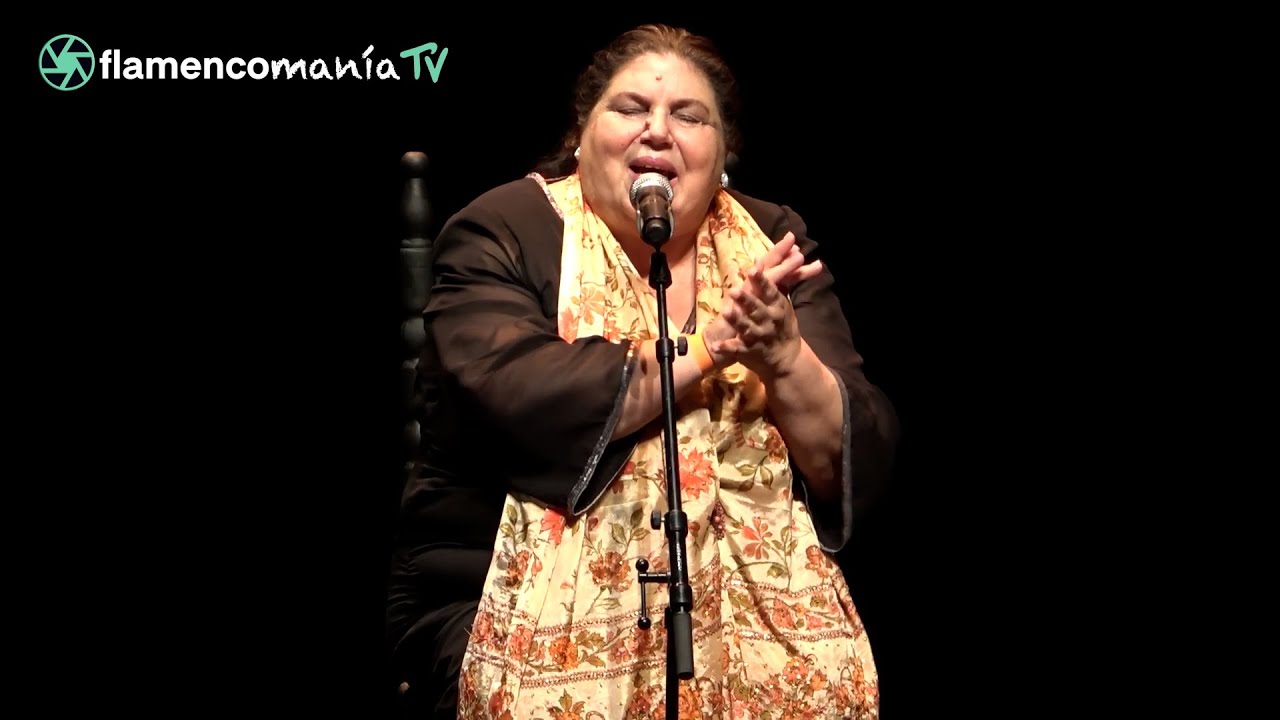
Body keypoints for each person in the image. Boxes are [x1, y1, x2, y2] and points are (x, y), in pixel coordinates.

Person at [386, 23, 899, 720]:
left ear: (724, 151)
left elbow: (852, 458)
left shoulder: (773, 242)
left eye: (688, 116)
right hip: (500, 590)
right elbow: (513, 396)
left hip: (758, 607)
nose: (657, 131)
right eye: (631, 109)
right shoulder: (505, 227)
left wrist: (783, 356)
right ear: (582, 131)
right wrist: (711, 348)